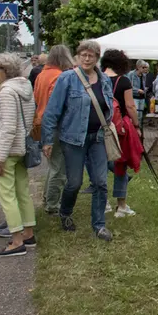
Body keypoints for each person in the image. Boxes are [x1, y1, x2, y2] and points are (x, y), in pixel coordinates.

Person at [41, 40, 114, 242]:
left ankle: (99, 225)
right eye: (83, 54)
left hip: (98, 137)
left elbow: (108, 105)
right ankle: (65, 213)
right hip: (73, 139)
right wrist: (47, 140)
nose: (87, 58)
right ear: (77, 56)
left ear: (97, 58)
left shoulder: (104, 80)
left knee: (100, 182)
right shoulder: (67, 79)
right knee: (74, 182)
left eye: (91, 55)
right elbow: (52, 111)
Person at [0, 52, 36, 257]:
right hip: (21, 149)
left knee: (7, 195)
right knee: (22, 191)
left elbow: (8, 127)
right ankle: (28, 233)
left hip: (7, 150)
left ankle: (16, 241)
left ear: (6, 70)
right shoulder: (25, 88)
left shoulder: (7, 92)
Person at [32, 45, 75, 214]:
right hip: (56, 125)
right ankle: (52, 204)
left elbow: (37, 98)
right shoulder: (59, 77)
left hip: (42, 123)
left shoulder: (42, 74)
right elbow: (56, 105)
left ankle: (47, 198)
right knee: (59, 167)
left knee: (52, 165)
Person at [101, 49, 140, 218]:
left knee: (99, 164)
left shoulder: (96, 78)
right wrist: (137, 125)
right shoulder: (123, 81)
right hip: (118, 128)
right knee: (120, 164)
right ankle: (121, 206)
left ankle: (103, 203)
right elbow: (130, 106)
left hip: (98, 126)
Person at [126, 60, 149, 125]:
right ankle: (134, 131)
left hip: (142, 98)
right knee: (135, 114)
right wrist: (138, 90)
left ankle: (139, 132)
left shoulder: (144, 75)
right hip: (134, 97)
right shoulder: (131, 74)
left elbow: (143, 85)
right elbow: (128, 86)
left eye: (145, 67)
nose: (145, 69)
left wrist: (145, 89)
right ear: (138, 67)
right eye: (143, 67)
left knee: (140, 116)